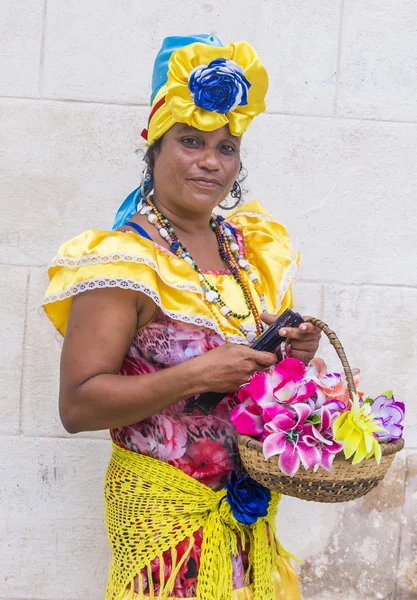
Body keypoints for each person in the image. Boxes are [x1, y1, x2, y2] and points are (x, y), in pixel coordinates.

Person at [43, 34, 320, 600]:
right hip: (166, 520)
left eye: (227, 147)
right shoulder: (124, 259)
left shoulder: (248, 249)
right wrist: (198, 374)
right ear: (154, 148)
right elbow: (77, 405)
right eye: (191, 142)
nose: (211, 163)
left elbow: (245, 375)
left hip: (246, 513)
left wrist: (292, 353)